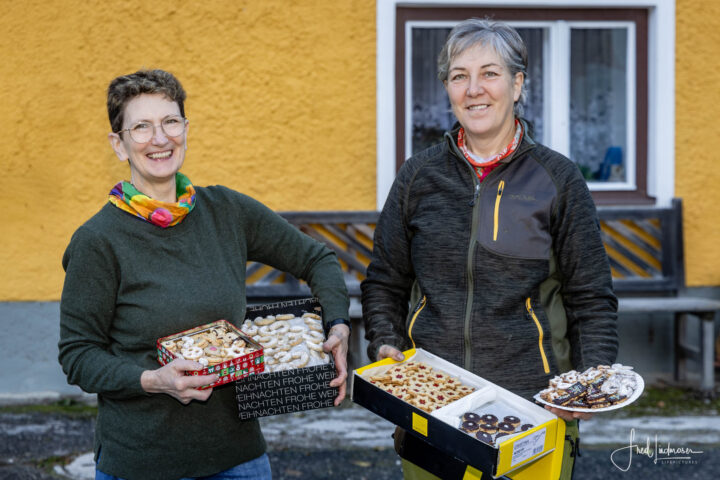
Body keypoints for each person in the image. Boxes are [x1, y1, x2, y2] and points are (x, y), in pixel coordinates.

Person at [58, 69, 351, 480]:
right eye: (141, 127)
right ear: (119, 144)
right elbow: (78, 355)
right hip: (143, 463)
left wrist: (337, 324)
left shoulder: (226, 211)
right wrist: (153, 380)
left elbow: (317, 259)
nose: (160, 139)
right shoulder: (98, 241)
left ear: (185, 129)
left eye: (170, 122)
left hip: (239, 459)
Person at [361, 18, 618, 479]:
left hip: (534, 405)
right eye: (459, 76)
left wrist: (588, 384)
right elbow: (385, 279)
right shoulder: (418, 177)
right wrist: (386, 341)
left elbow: (591, 296)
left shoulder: (557, 179)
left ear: (518, 84)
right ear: (447, 89)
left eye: (490, 73)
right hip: (433, 405)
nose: (474, 89)